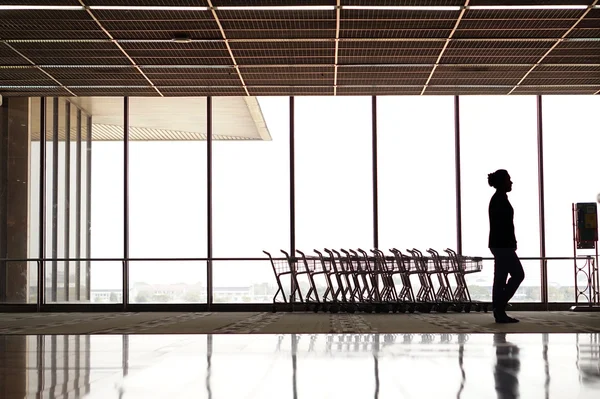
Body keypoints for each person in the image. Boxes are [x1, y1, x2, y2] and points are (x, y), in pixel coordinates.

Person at [488, 169, 524, 323]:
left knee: (501, 278)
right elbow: (503, 226)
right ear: (502, 182)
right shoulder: (499, 200)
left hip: (499, 244)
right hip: (503, 245)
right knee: (518, 274)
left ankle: (499, 310)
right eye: (509, 179)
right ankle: (499, 307)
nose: (511, 182)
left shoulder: (499, 198)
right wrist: (511, 242)